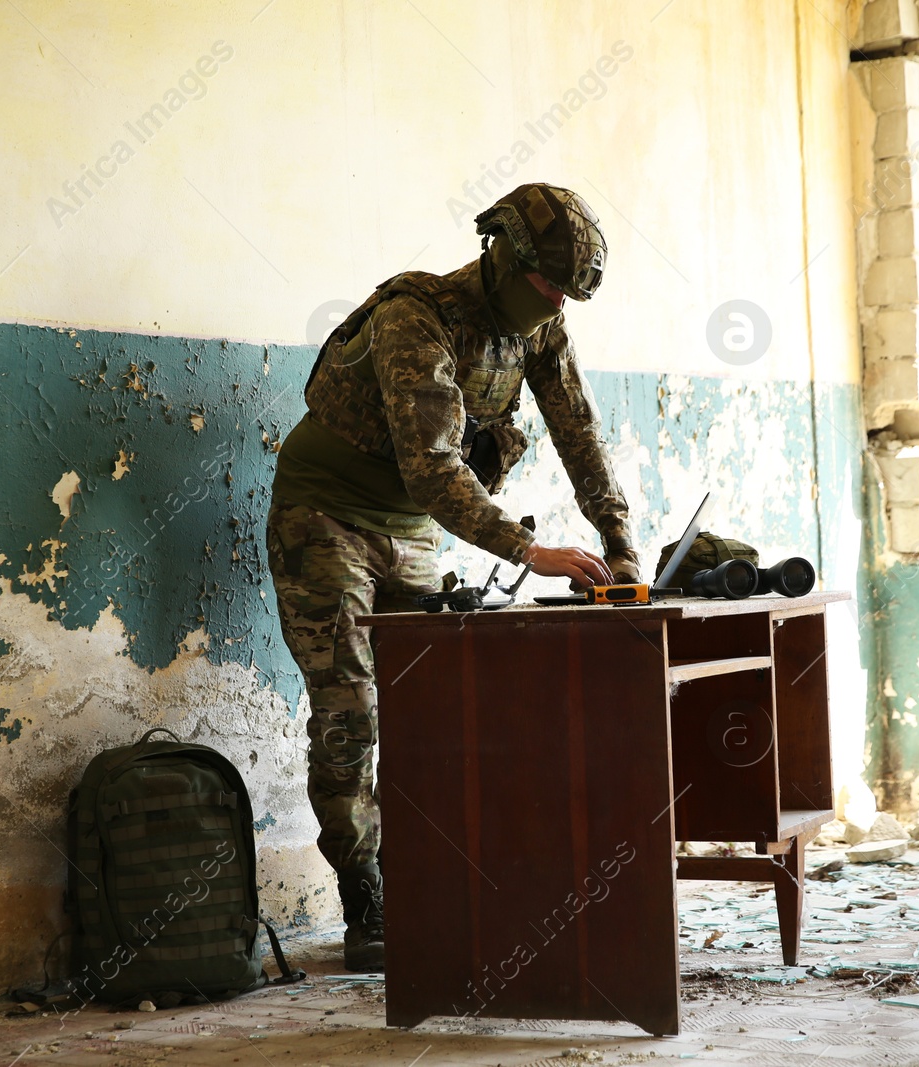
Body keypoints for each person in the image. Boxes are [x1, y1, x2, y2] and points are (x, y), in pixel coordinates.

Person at [265, 183, 640, 971]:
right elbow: (434, 465)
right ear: (502, 255)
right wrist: (529, 551)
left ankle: (429, 888)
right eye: (546, 285)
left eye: (566, 294)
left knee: (434, 717)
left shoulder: (540, 333)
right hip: (325, 518)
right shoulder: (417, 315)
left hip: (411, 532)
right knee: (350, 712)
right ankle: (366, 902)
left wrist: (621, 542)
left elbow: (580, 433)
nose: (553, 303)